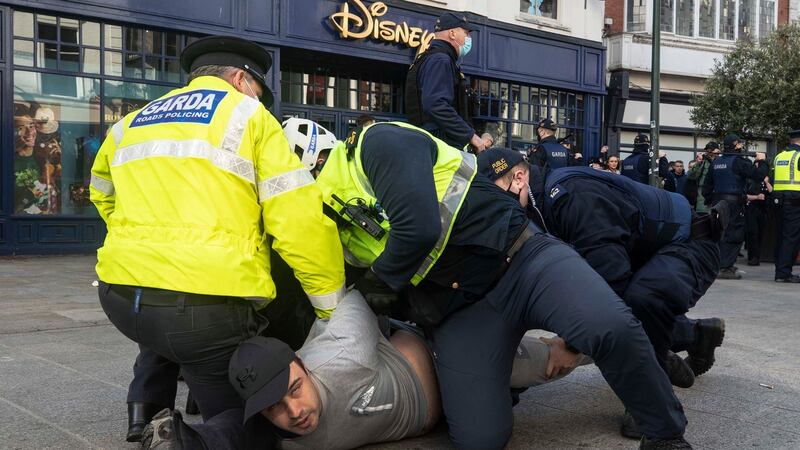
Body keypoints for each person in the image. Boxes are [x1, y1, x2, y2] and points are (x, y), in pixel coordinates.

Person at [313, 121, 693, 449]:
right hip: (463, 311)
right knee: (479, 439)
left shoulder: (377, 142)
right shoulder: (320, 214)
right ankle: (515, 373)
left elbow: (418, 227)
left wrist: (380, 279)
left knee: (610, 326)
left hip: (522, 258)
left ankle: (664, 432)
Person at [90, 35, 346, 426]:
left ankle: (145, 414)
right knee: (243, 425)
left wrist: (140, 241)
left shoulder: (132, 121)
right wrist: (330, 309)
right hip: (204, 311)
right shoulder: (250, 116)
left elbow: (102, 193)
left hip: (121, 298)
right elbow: (299, 222)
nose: (259, 100)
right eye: (258, 91)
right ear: (242, 80)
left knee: (164, 326)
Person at [141, 291, 590, 449]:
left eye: (294, 388)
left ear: (301, 365)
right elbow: (240, 430)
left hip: (441, 358)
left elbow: (348, 296)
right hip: (437, 412)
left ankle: (610, 344)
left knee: (547, 363)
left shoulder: (343, 356)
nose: (294, 410)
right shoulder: (277, 426)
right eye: (274, 406)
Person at [480, 148, 726, 383]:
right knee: (627, 299)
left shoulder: (571, 196)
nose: (492, 206)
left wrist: (571, 345)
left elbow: (609, 276)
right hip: (650, 250)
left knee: (641, 298)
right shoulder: (539, 204)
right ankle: (697, 335)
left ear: (519, 178)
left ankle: (653, 392)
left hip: (692, 244)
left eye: (493, 194)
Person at [405, 12, 485, 152]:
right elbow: (436, 104)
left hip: (431, 142)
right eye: (466, 33)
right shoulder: (440, 60)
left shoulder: (432, 58)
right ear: (452, 33)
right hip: (440, 143)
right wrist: (471, 136)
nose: (469, 38)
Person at [702, 133, 769, 280]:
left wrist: (710, 201)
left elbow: (706, 187)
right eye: (740, 143)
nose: (741, 146)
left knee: (719, 233)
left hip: (717, 203)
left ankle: (719, 264)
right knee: (735, 234)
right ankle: (725, 267)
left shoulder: (716, 162)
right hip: (733, 203)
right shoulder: (739, 162)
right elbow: (758, 175)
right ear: (736, 144)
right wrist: (762, 161)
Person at [772, 130, 800, 283]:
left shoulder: (779, 156)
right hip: (795, 201)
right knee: (791, 238)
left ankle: (780, 270)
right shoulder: (799, 156)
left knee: (781, 236)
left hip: (778, 200)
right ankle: (784, 273)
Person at [744, 176, 771, 266]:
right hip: (751, 209)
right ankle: (753, 257)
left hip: (763, 210)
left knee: (761, 233)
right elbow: (743, 195)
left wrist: (766, 183)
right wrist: (757, 197)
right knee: (753, 233)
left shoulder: (766, 181)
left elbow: (772, 191)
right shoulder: (749, 180)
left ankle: (758, 256)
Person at [687, 142, 721, 212]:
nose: (709, 152)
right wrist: (698, 163)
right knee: (703, 218)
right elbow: (691, 176)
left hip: (718, 195)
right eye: (707, 150)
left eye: (711, 150)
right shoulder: (703, 162)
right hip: (703, 198)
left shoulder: (722, 161)